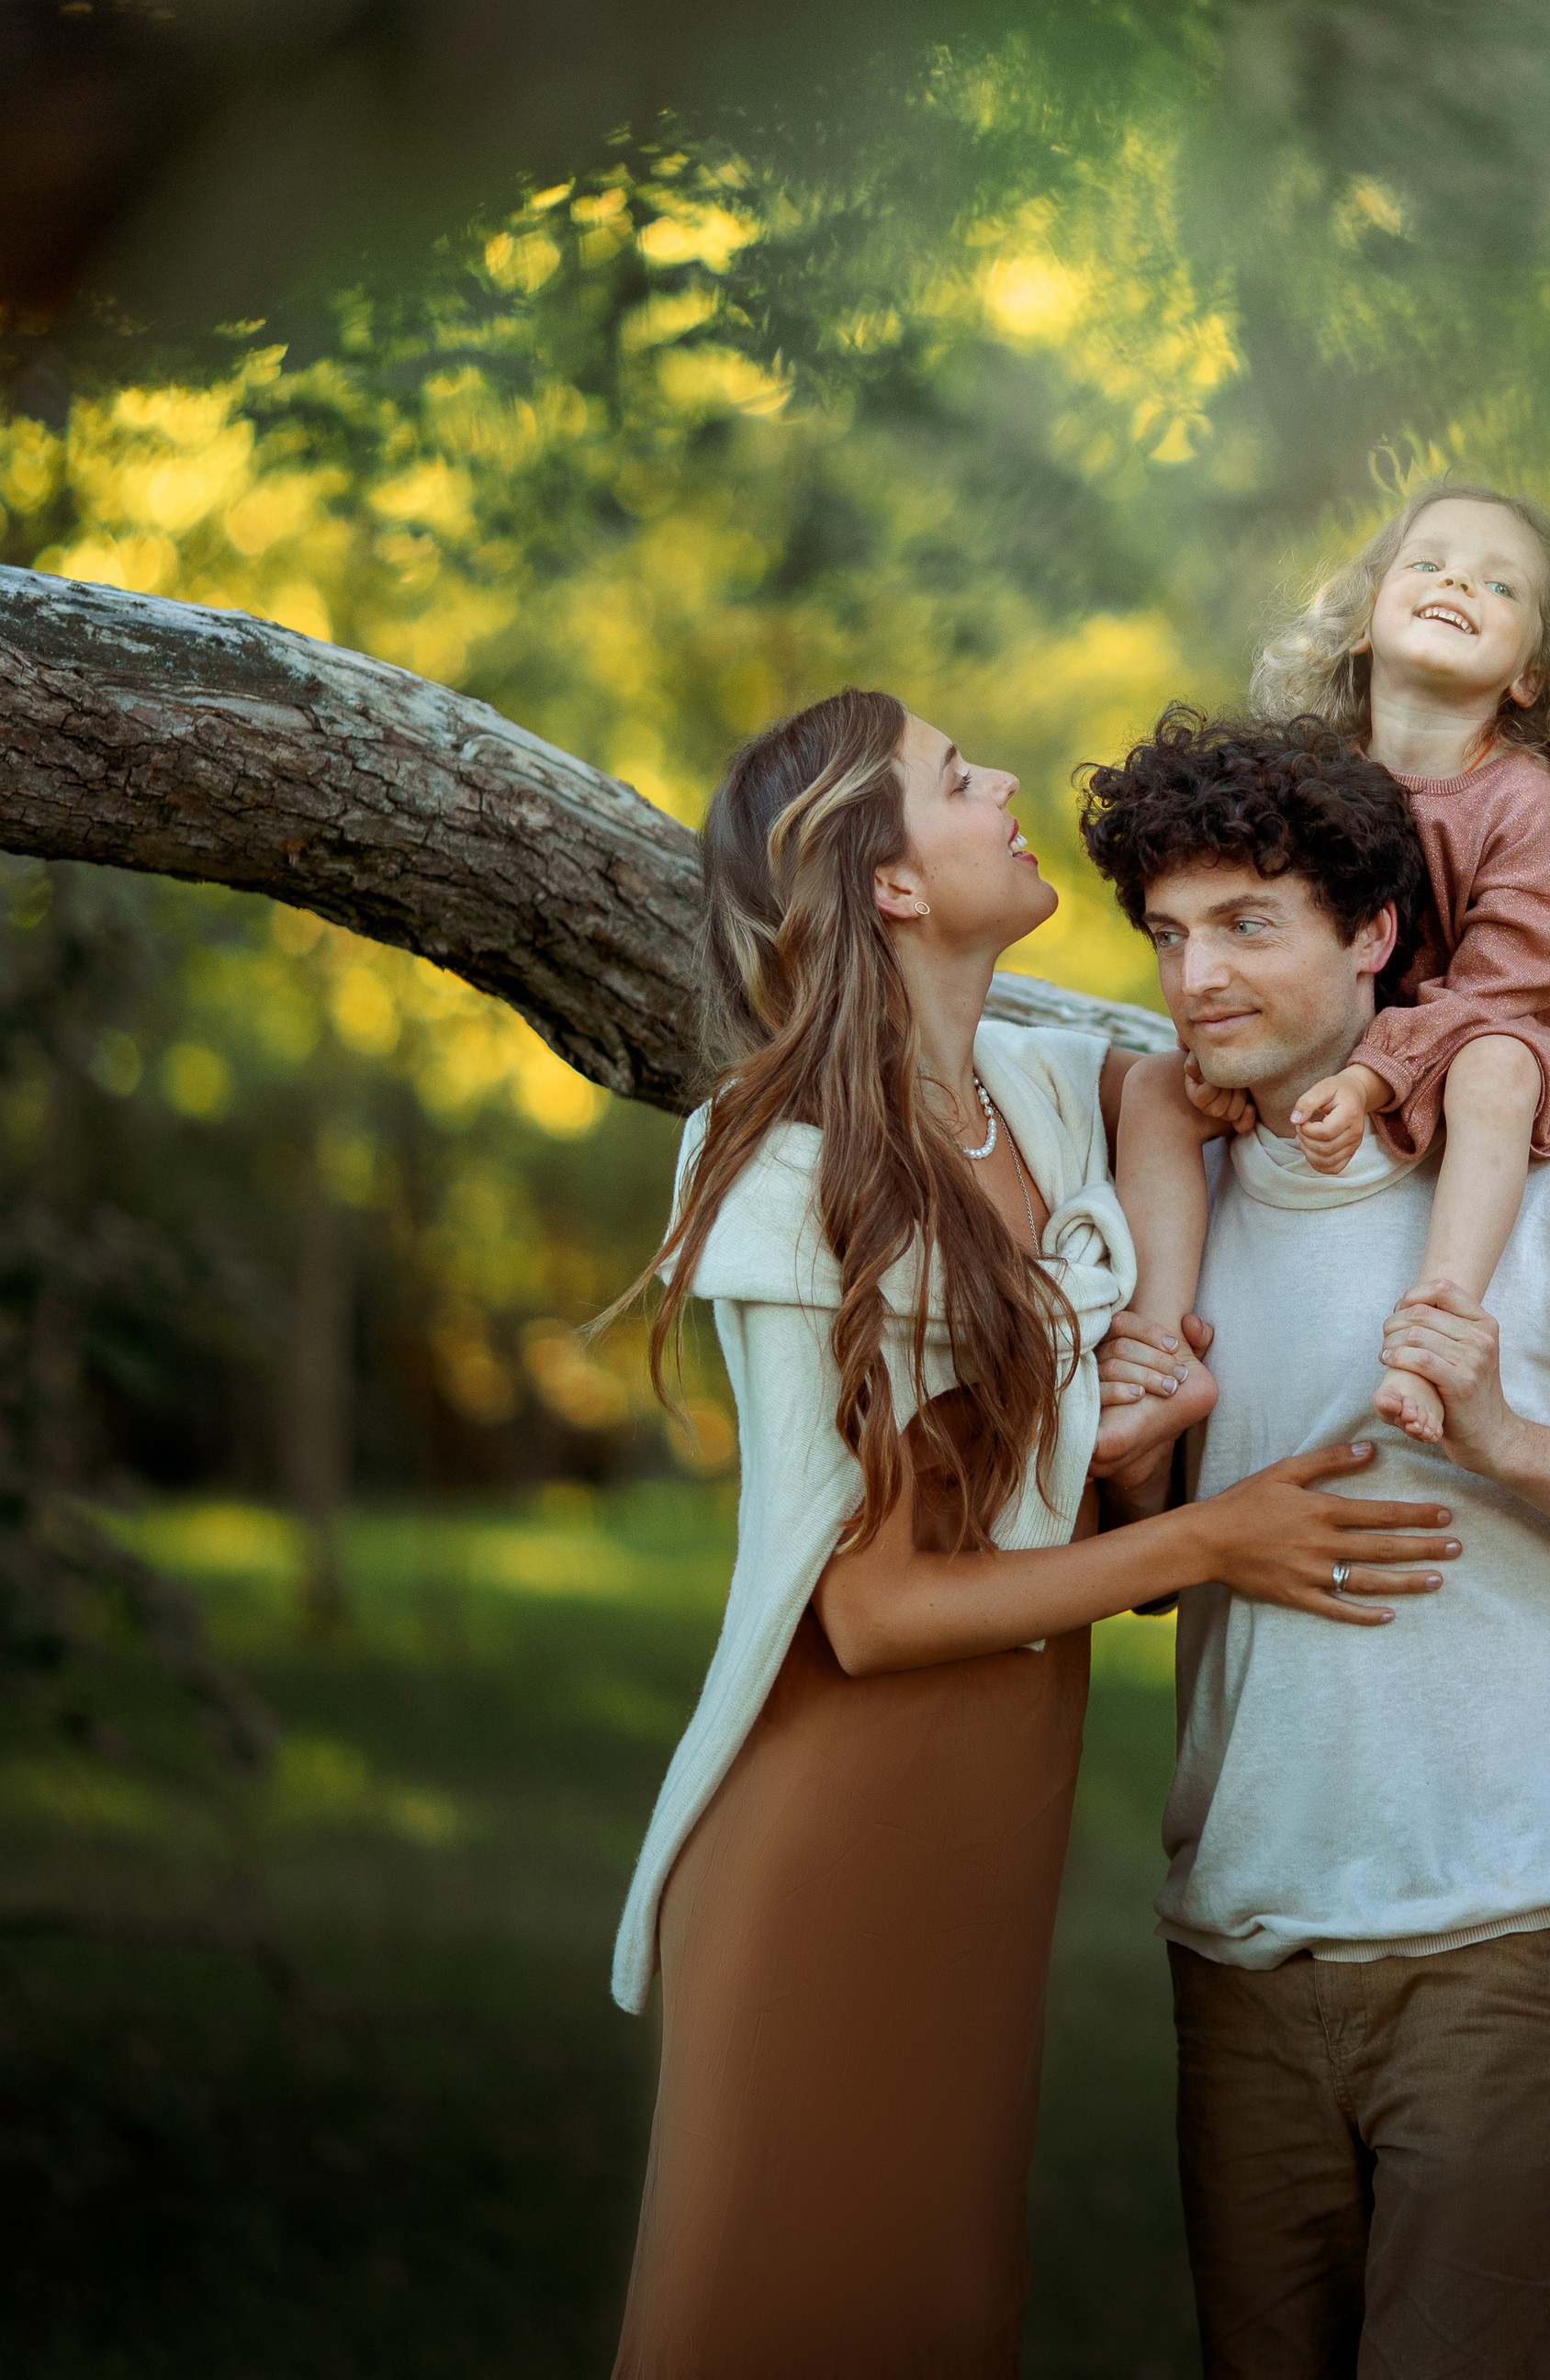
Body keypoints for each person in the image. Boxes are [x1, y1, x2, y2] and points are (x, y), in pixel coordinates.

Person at [601, 687, 1461, 2380]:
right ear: (893, 885)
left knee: (934, 2320)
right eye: (949, 777)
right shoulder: (786, 1165)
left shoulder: (1042, 1090)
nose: (1000, 786)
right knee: (769, 2322)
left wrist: (1153, 1347)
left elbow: (1164, 1092)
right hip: (829, 1833)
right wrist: (1210, 1545)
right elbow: (873, 1611)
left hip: (984, 1840)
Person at [1080, 712, 1550, 2379]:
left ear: (1377, 933)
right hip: (1241, 1931)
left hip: (1507, 1926)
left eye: (1248, 924)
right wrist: (1131, 1468)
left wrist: (1504, 1442)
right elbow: (1163, 1541)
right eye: (1171, 934)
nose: (1197, 976)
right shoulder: (1178, 1212)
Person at [1104, 481, 1550, 1458]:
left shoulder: (1519, 803)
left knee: (1494, 1067)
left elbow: (1504, 988)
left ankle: (1435, 1330)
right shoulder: (1315, 780)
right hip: (1348, 1061)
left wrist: (1367, 1074)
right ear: (1359, 623)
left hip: (1487, 1053)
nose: (1456, 584)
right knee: (1151, 1088)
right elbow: (1263, 941)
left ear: (1527, 677)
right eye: (1427, 563)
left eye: (1498, 584)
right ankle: (1156, 1352)